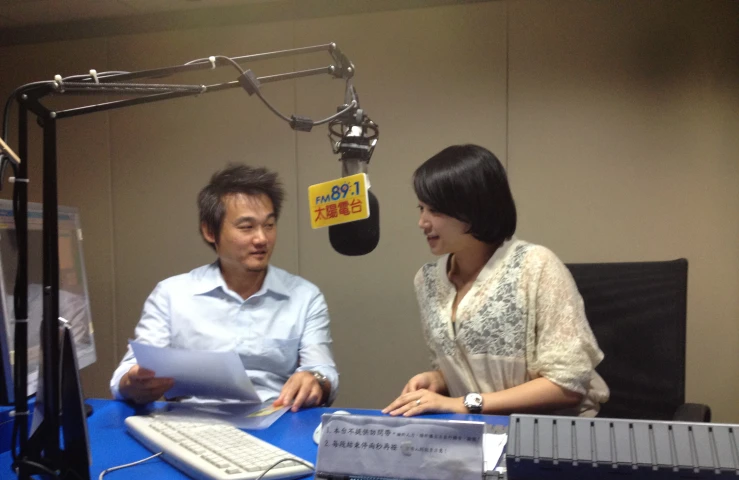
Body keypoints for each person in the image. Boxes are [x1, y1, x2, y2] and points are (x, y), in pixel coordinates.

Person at [383, 144, 608, 417]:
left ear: (474, 207)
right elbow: (470, 364)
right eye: (421, 208)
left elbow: (568, 383)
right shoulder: (427, 280)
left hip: (544, 437)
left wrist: (465, 403)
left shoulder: (536, 265)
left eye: (435, 210)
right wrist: (439, 379)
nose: (422, 222)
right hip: (474, 437)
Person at [110, 163, 338, 411]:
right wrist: (132, 383)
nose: (262, 238)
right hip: (191, 419)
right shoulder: (171, 295)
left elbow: (323, 369)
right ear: (210, 231)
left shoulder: (304, 296)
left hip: (275, 417)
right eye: (246, 227)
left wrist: (316, 380)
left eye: (269, 225)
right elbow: (128, 372)